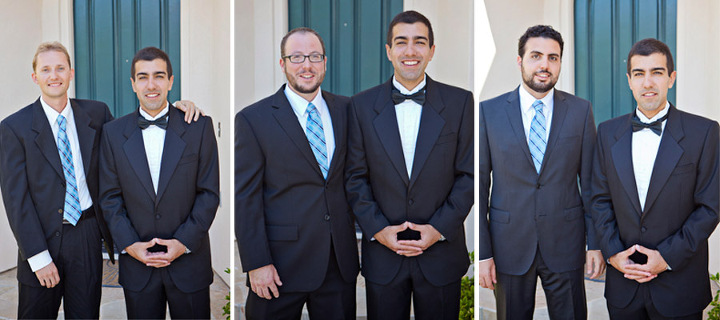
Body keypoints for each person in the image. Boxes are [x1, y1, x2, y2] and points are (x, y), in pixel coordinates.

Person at [0, 41, 202, 319]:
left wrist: (177, 109)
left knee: (85, 314)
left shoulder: (96, 114)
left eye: (60, 68)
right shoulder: (14, 128)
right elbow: (15, 200)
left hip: (87, 233)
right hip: (41, 238)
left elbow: (133, 136)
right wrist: (38, 257)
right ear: (35, 77)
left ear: (71, 73)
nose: (54, 75)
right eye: (46, 70)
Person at [345, 10, 474, 320]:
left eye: (420, 42)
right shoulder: (360, 106)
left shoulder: (460, 103)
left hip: (441, 255)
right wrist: (378, 230)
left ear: (432, 50)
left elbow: (469, 176)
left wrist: (437, 229)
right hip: (384, 257)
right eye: (401, 42)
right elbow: (354, 178)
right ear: (389, 51)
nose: (410, 51)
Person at [477, 25, 605, 319]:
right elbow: (480, 186)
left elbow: (591, 183)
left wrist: (594, 244)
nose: (544, 65)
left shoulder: (580, 111)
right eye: (536, 56)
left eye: (553, 57)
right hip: (509, 244)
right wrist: (484, 253)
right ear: (520, 60)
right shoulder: (489, 112)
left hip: (566, 243)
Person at [235, 27, 359, 319]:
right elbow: (247, 198)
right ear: (283, 64)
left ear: (325, 62)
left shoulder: (347, 110)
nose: (307, 65)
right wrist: (256, 263)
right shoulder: (254, 119)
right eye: (297, 57)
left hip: (337, 264)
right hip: (279, 267)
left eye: (315, 56)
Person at [591, 38, 719, 319]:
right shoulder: (607, 132)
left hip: (679, 286)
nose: (647, 83)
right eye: (639, 74)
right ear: (629, 80)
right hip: (624, 287)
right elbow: (598, 199)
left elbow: (710, 207)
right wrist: (613, 254)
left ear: (671, 78)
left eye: (657, 72)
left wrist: (667, 258)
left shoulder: (705, 132)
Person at [99, 46, 219, 319]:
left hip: (190, 263)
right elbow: (109, 198)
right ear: (132, 84)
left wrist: (182, 242)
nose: (151, 85)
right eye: (142, 77)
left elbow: (209, 194)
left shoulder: (199, 126)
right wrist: (130, 245)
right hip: (138, 267)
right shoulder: (113, 133)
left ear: (171, 81)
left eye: (159, 76)